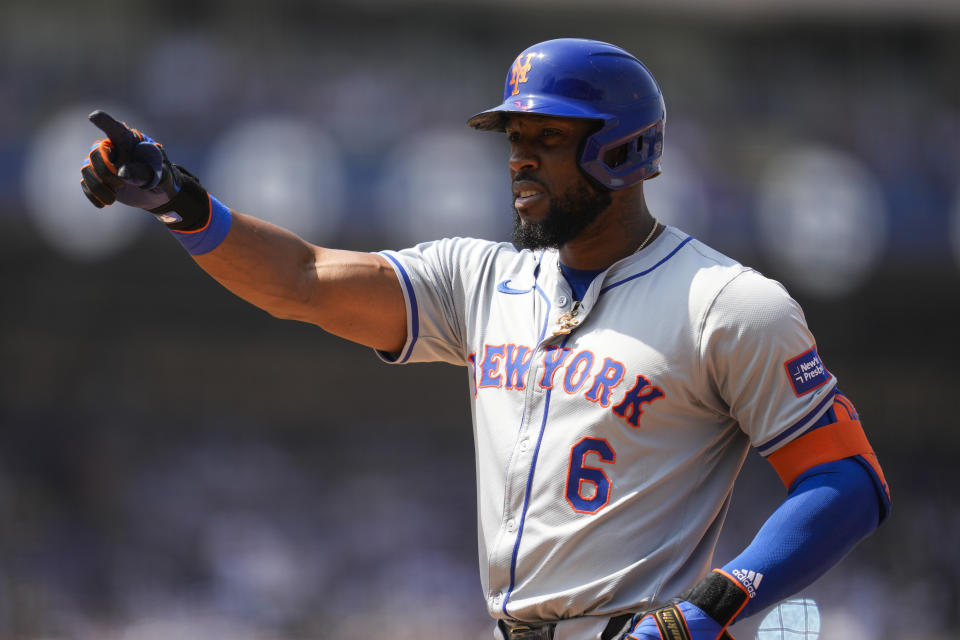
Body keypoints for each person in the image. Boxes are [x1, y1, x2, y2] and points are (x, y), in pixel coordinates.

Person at [80, 38, 890, 640]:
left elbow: (848, 481)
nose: (520, 160)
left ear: (623, 147)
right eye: (513, 138)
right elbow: (301, 280)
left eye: (547, 138)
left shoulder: (727, 301)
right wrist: (182, 205)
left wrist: (717, 602)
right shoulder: (481, 280)